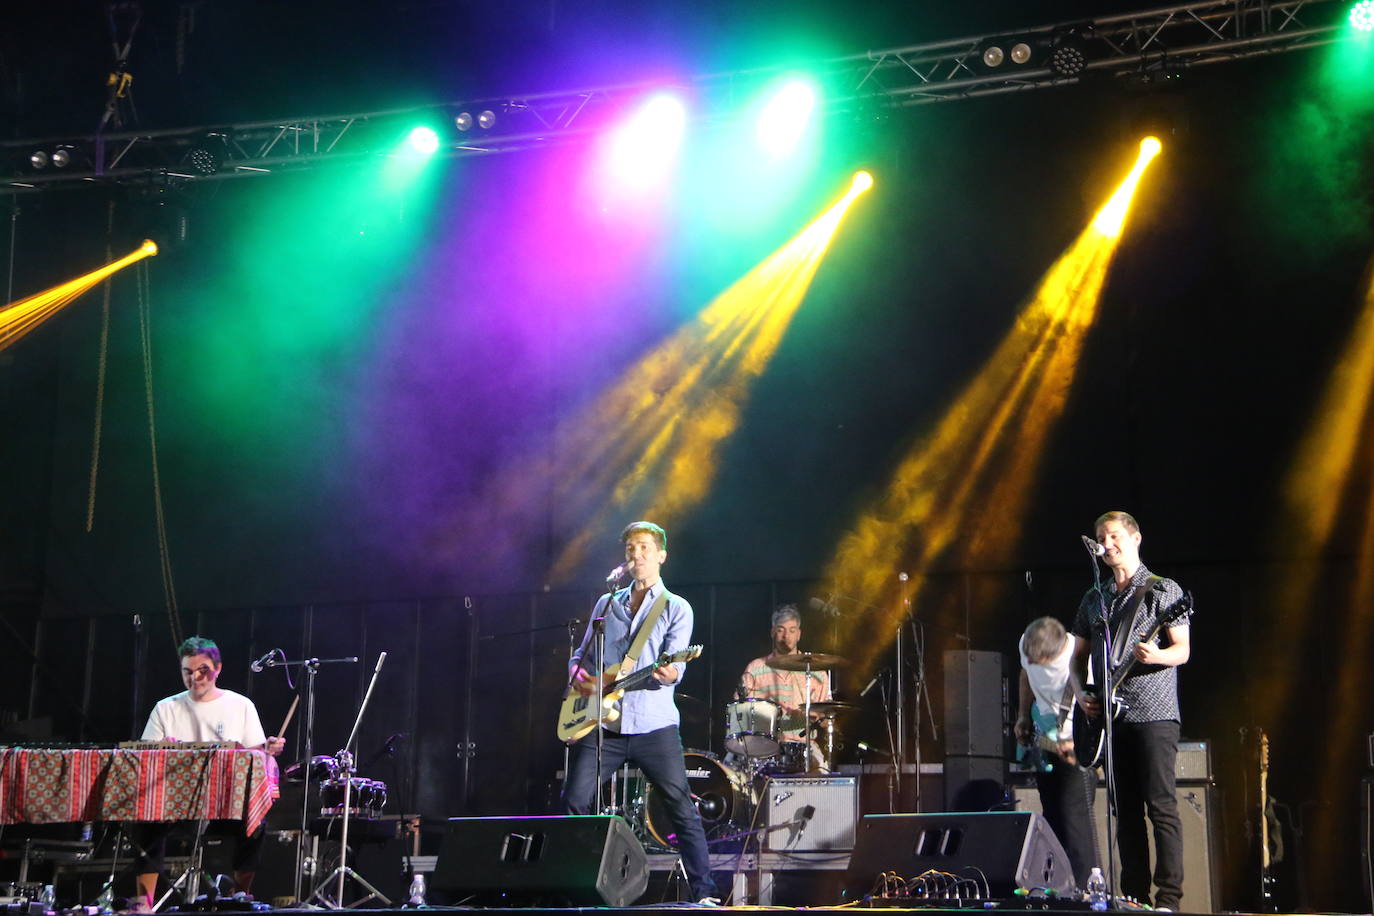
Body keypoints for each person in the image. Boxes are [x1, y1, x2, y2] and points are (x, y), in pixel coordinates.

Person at [562, 521, 719, 905]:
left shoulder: (676, 607)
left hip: (653, 726)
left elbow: (675, 667)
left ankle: (705, 892)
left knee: (680, 807)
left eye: (645, 547)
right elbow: (582, 654)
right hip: (605, 725)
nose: (637, 555)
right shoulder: (606, 604)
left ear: (661, 555)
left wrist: (671, 673)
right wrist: (580, 677)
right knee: (574, 800)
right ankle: (579, 887)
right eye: (631, 548)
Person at [1072, 511, 1191, 911]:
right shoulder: (1095, 598)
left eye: (1114, 536)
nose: (1107, 544)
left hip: (1155, 713)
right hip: (1112, 718)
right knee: (1125, 813)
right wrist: (1080, 692)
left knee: (1161, 806)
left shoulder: (1163, 590)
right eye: (1101, 538)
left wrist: (1157, 655)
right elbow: (1076, 656)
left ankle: (1169, 898)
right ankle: (1135, 897)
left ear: (1136, 538)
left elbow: (1182, 650)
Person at [134, 636, 286, 908]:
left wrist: (268, 749)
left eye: (202, 670)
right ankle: (143, 903)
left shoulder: (240, 705)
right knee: (146, 817)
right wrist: (161, 749)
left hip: (225, 805)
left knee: (255, 821)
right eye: (188, 671)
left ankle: (240, 894)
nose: (195, 678)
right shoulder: (165, 708)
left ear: (218, 669)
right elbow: (144, 758)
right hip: (175, 805)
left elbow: (255, 755)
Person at [1014, 615, 1097, 890]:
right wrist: (1023, 716)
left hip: (1075, 741)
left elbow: (1096, 709)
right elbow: (1025, 675)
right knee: (1050, 819)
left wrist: (1078, 743)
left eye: (1042, 663)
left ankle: (1087, 891)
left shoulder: (1081, 658)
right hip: (1044, 735)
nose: (1036, 666)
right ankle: (1058, 889)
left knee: (1075, 822)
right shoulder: (1027, 644)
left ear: (1057, 652)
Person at [738, 605, 832, 769]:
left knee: (822, 776)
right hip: (764, 746)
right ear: (773, 632)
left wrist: (820, 718)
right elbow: (740, 712)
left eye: (792, 630)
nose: (786, 636)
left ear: (799, 634)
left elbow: (827, 719)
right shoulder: (755, 668)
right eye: (781, 630)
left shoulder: (817, 673)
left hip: (805, 746)